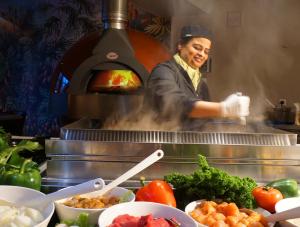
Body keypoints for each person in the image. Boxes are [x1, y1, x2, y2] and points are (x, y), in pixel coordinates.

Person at [145, 25, 250, 130]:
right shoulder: (164, 71)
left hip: (190, 142)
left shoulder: (201, 83)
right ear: (180, 45)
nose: (202, 54)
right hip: (162, 141)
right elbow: (173, 102)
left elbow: (204, 120)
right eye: (197, 48)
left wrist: (231, 120)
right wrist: (223, 108)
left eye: (206, 51)